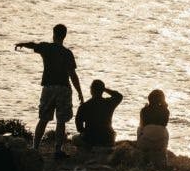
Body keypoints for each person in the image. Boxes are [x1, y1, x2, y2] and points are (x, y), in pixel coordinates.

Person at [15, 23, 84, 159]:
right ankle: (58, 150)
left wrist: (22, 44)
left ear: (53, 34)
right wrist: (80, 92)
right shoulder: (67, 53)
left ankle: (35, 147)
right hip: (63, 88)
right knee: (61, 121)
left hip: (48, 88)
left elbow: (33, 45)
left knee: (43, 119)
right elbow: (72, 75)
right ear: (64, 36)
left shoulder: (46, 48)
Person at [73, 79, 122, 149]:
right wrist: (105, 89)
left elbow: (79, 127)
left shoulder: (84, 106)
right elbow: (119, 96)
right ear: (102, 91)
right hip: (108, 138)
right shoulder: (109, 103)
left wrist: (86, 133)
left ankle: (90, 147)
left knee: (74, 138)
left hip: (91, 139)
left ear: (91, 91)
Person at [137, 89, 170, 167]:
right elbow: (164, 124)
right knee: (164, 130)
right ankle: (163, 160)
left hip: (146, 142)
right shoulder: (166, 111)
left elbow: (143, 125)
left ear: (149, 98)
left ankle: (143, 156)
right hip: (161, 142)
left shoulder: (144, 110)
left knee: (139, 128)